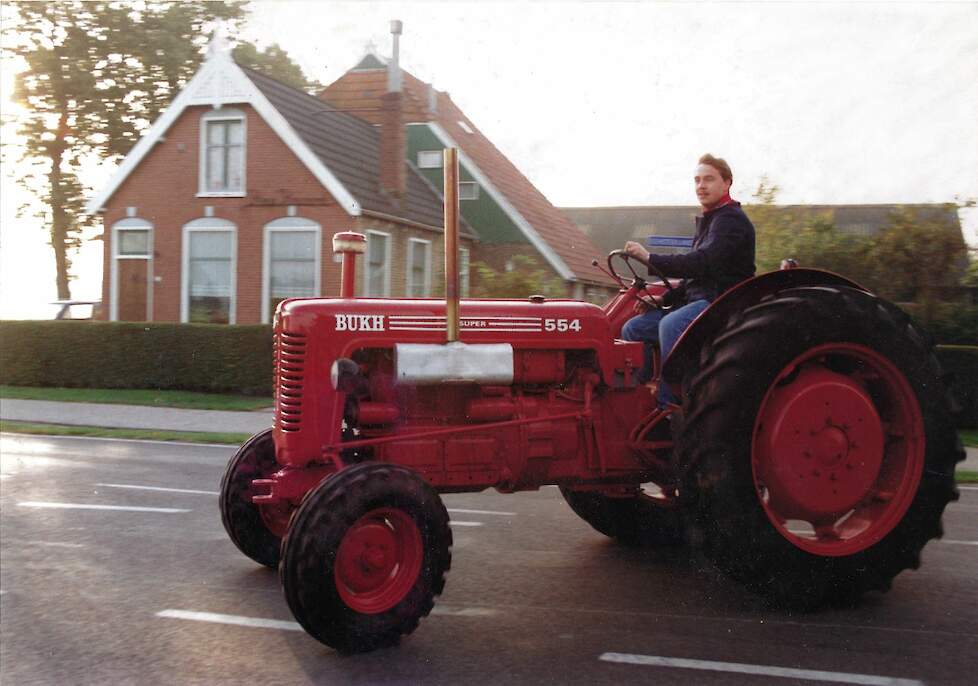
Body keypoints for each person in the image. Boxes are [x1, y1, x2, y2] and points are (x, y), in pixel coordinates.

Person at [621, 153, 756, 407]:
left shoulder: (731, 221)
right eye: (697, 180)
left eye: (709, 179)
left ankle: (673, 405)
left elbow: (701, 263)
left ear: (727, 183)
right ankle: (635, 398)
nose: (701, 186)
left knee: (670, 325)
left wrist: (649, 257)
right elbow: (693, 278)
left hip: (722, 302)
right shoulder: (710, 220)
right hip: (701, 300)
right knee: (634, 328)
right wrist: (663, 298)